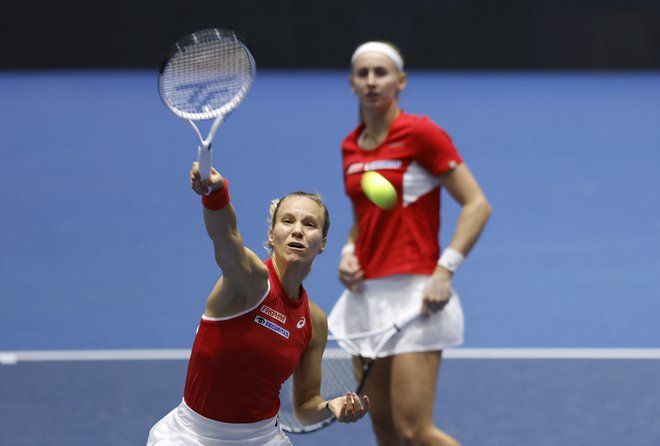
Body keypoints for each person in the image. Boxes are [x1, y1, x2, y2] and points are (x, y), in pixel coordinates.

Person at [328, 41, 492, 446]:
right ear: (351, 83)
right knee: (383, 427)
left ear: (400, 82)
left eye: (380, 73)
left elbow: (477, 205)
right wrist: (348, 255)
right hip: (367, 297)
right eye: (362, 74)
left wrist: (444, 270)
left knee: (414, 429)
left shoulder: (421, 133)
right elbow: (363, 221)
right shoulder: (351, 147)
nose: (371, 81)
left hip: (417, 296)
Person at [147, 163, 370, 445]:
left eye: (309, 224)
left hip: (262, 438)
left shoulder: (314, 321)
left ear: (322, 243)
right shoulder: (250, 281)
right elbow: (225, 239)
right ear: (271, 234)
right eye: (287, 221)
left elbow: (305, 407)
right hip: (193, 436)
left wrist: (331, 407)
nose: (298, 231)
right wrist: (217, 193)